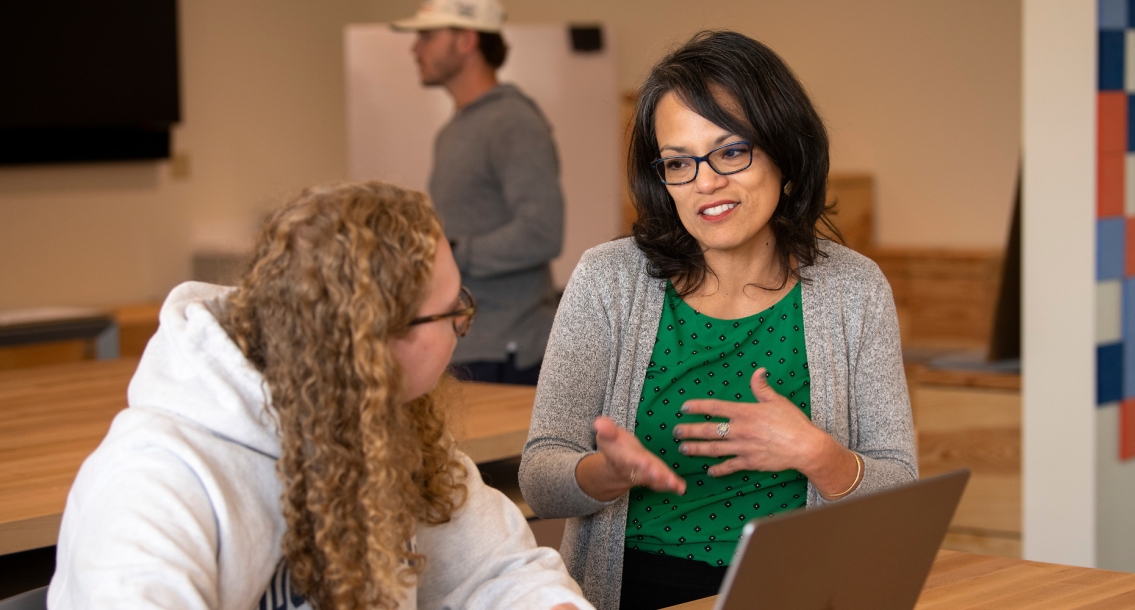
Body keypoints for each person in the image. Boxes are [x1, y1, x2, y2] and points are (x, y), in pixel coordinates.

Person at [48, 182, 592, 610]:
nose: (463, 321)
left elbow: (494, 570)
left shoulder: (383, 423)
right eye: (452, 310)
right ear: (371, 338)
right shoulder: (154, 483)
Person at [519, 31, 918, 610]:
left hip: (800, 589)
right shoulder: (608, 279)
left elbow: (900, 492)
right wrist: (604, 473)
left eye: (731, 151)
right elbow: (540, 477)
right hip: (636, 589)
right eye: (679, 162)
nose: (706, 181)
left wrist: (818, 456)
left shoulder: (854, 290)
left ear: (787, 154)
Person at [391, 0, 565, 385]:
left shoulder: (513, 122)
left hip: (509, 352)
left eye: (428, 36)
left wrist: (449, 254)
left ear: (466, 40)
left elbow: (541, 233)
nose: (415, 48)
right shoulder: (455, 130)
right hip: (466, 344)